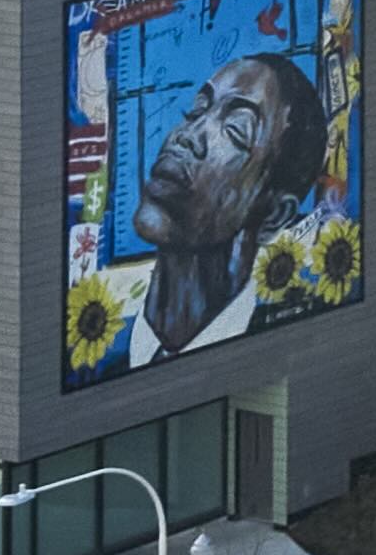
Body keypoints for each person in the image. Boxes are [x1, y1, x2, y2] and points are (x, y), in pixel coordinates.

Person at [115, 50, 329, 361]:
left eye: (235, 131)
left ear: (274, 214)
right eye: (195, 111)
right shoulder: (98, 348)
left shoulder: (278, 342)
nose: (187, 136)